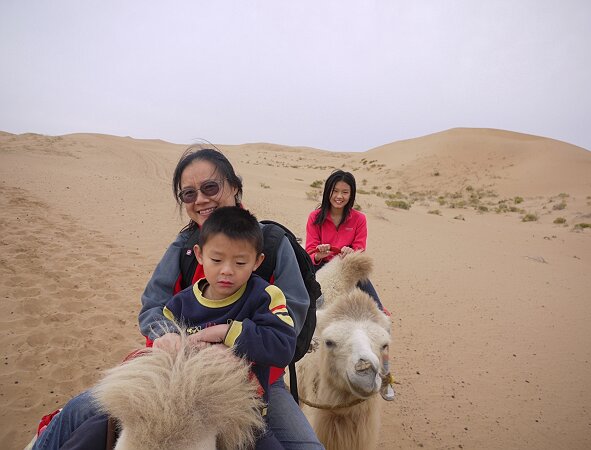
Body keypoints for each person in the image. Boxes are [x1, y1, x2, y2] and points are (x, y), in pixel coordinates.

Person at [32, 146, 324, 450]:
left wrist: (236, 350)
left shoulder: (272, 242)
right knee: (79, 411)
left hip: (255, 377)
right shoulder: (184, 246)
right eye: (189, 193)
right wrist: (167, 336)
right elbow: (154, 305)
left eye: (210, 187)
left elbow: (292, 314)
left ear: (235, 187)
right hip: (176, 367)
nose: (201, 199)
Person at [163, 206, 296, 449]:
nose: (227, 270)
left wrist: (228, 332)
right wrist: (169, 344)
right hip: (186, 418)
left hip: (245, 420)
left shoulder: (265, 297)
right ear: (200, 255)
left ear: (257, 261)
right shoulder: (179, 305)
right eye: (216, 259)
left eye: (240, 262)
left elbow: (283, 346)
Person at [305, 169, 395, 401]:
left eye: (345, 192)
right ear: (328, 192)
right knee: (302, 310)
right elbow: (309, 251)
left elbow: (360, 248)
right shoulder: (315, 218)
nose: (339, 196)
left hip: (350, 271)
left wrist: (350, 252)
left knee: (383, 320)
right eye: (335, 191)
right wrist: (319, 253)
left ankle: (386, 376)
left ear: (351, 194)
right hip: (319, 268)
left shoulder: (359, 219)